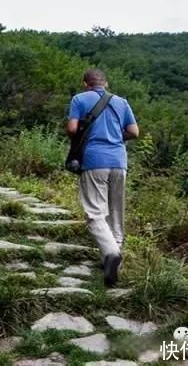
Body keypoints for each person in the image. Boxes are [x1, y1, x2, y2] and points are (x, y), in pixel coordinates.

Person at [66, 68, 139, 287]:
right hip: (119, 161)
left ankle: (110, 254)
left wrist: (81, 132)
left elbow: (72, 129)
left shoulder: (79, 99)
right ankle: (113, 258)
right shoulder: (121, 102)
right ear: (105, 83)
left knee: (95, 212)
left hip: (94, 160)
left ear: (85, 83)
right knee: (116, 212)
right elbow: (134, 132)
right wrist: (116, 135)